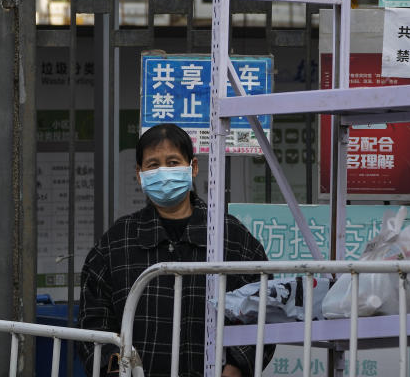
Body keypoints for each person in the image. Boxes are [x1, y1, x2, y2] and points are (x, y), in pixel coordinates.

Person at [77, 123, 273, 377]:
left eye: (173, 162)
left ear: (193, 167)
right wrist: (115, 369)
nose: (164, 172)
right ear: (139, 174)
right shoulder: (118, 241)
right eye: (153, 165)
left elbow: (264, 308)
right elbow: (93, 318)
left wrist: (235, 368)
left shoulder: (231, 237)